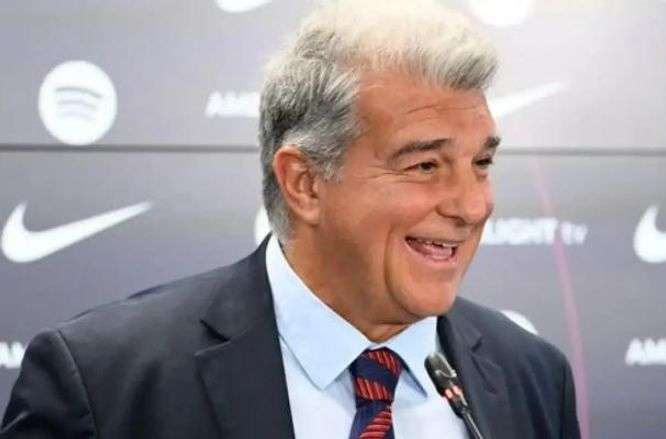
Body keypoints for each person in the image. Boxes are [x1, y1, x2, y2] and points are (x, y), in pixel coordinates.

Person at [1, 1, 580, 438]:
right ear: (304, 183)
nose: (471, 206)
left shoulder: (530, 376)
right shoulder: (105, 382)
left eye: (481, 164)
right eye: (425, 165)